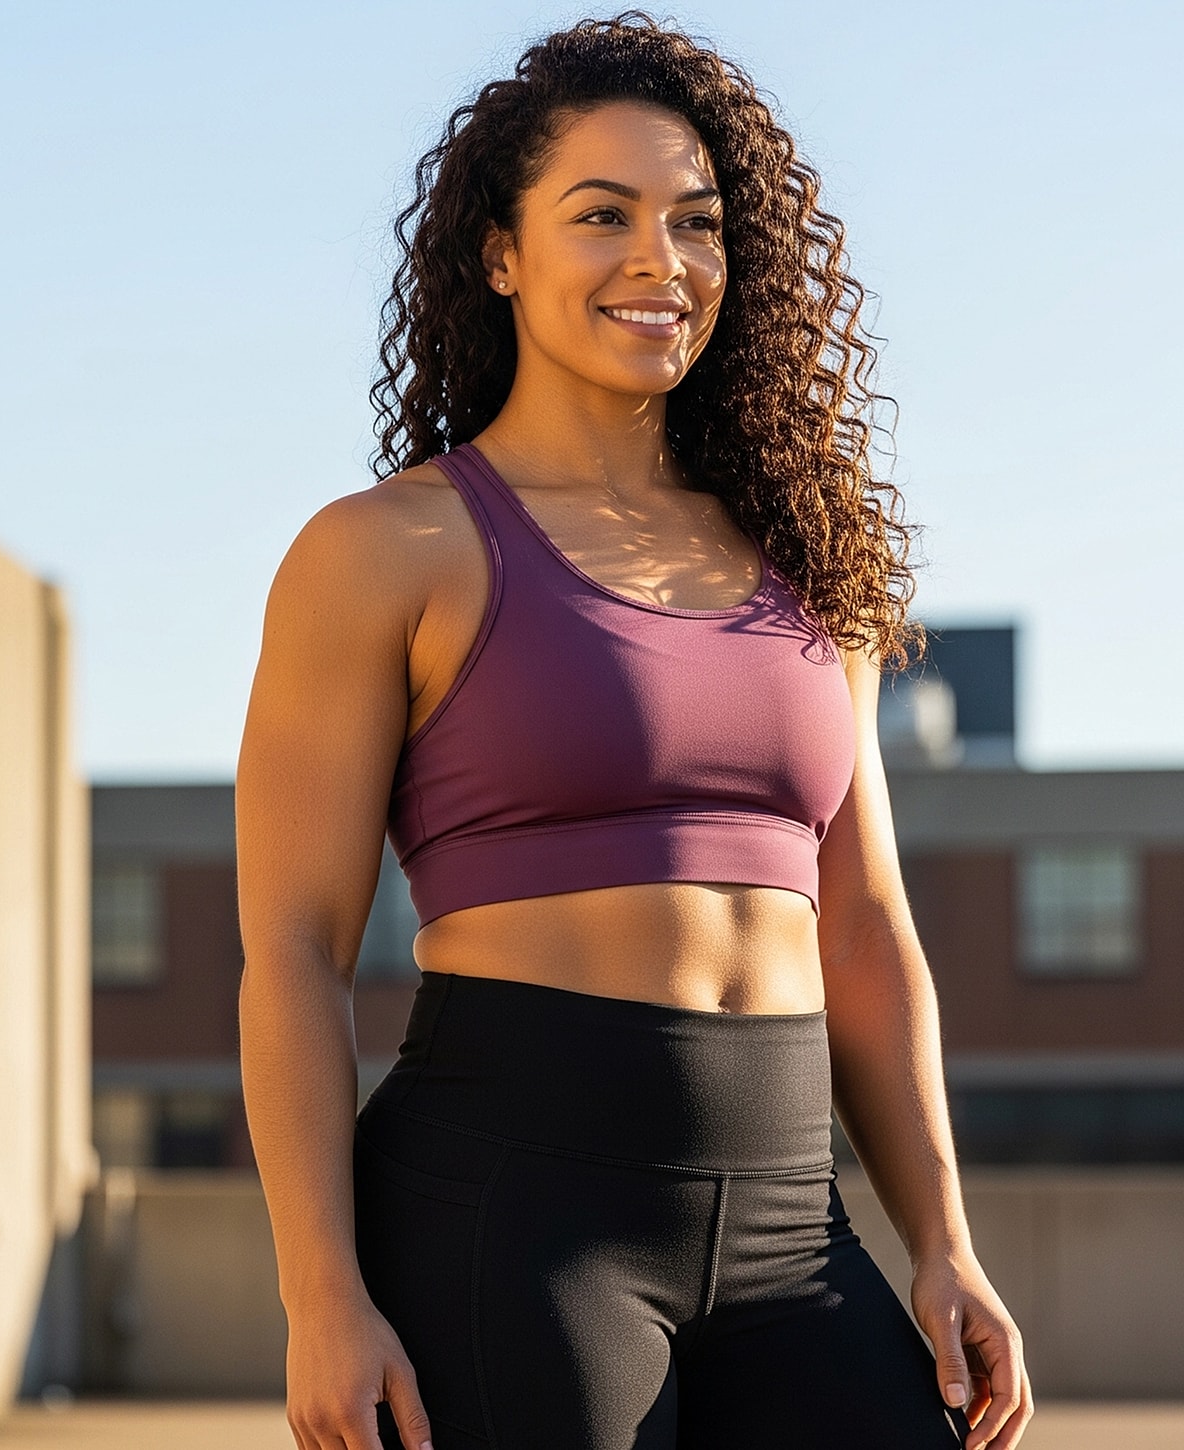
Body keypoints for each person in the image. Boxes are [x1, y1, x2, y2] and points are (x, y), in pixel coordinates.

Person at [236, 13, 1033, 1450]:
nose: (661, 260)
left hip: (796, 1217)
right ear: (501, 252)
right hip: (511, 1205)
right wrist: (319, 1290)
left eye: (697, 221)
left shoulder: (814, 568)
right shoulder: (387, 551)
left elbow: (867, 931)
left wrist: (944, 1235)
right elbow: (289, 949)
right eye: (601, 215)